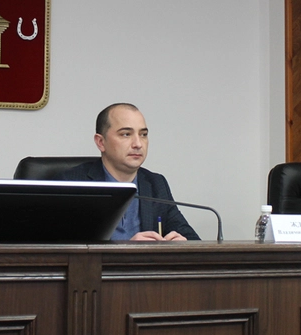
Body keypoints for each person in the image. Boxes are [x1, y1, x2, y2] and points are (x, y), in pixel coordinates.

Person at [57, 103, 199, 241]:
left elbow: (192, 239)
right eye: (126, 134)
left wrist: (181, 244)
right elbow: (58, 246)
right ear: (101, 142)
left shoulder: (155, 184)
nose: (138, 144)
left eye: (143, 134)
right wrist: (127, 249)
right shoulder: (72, 183)